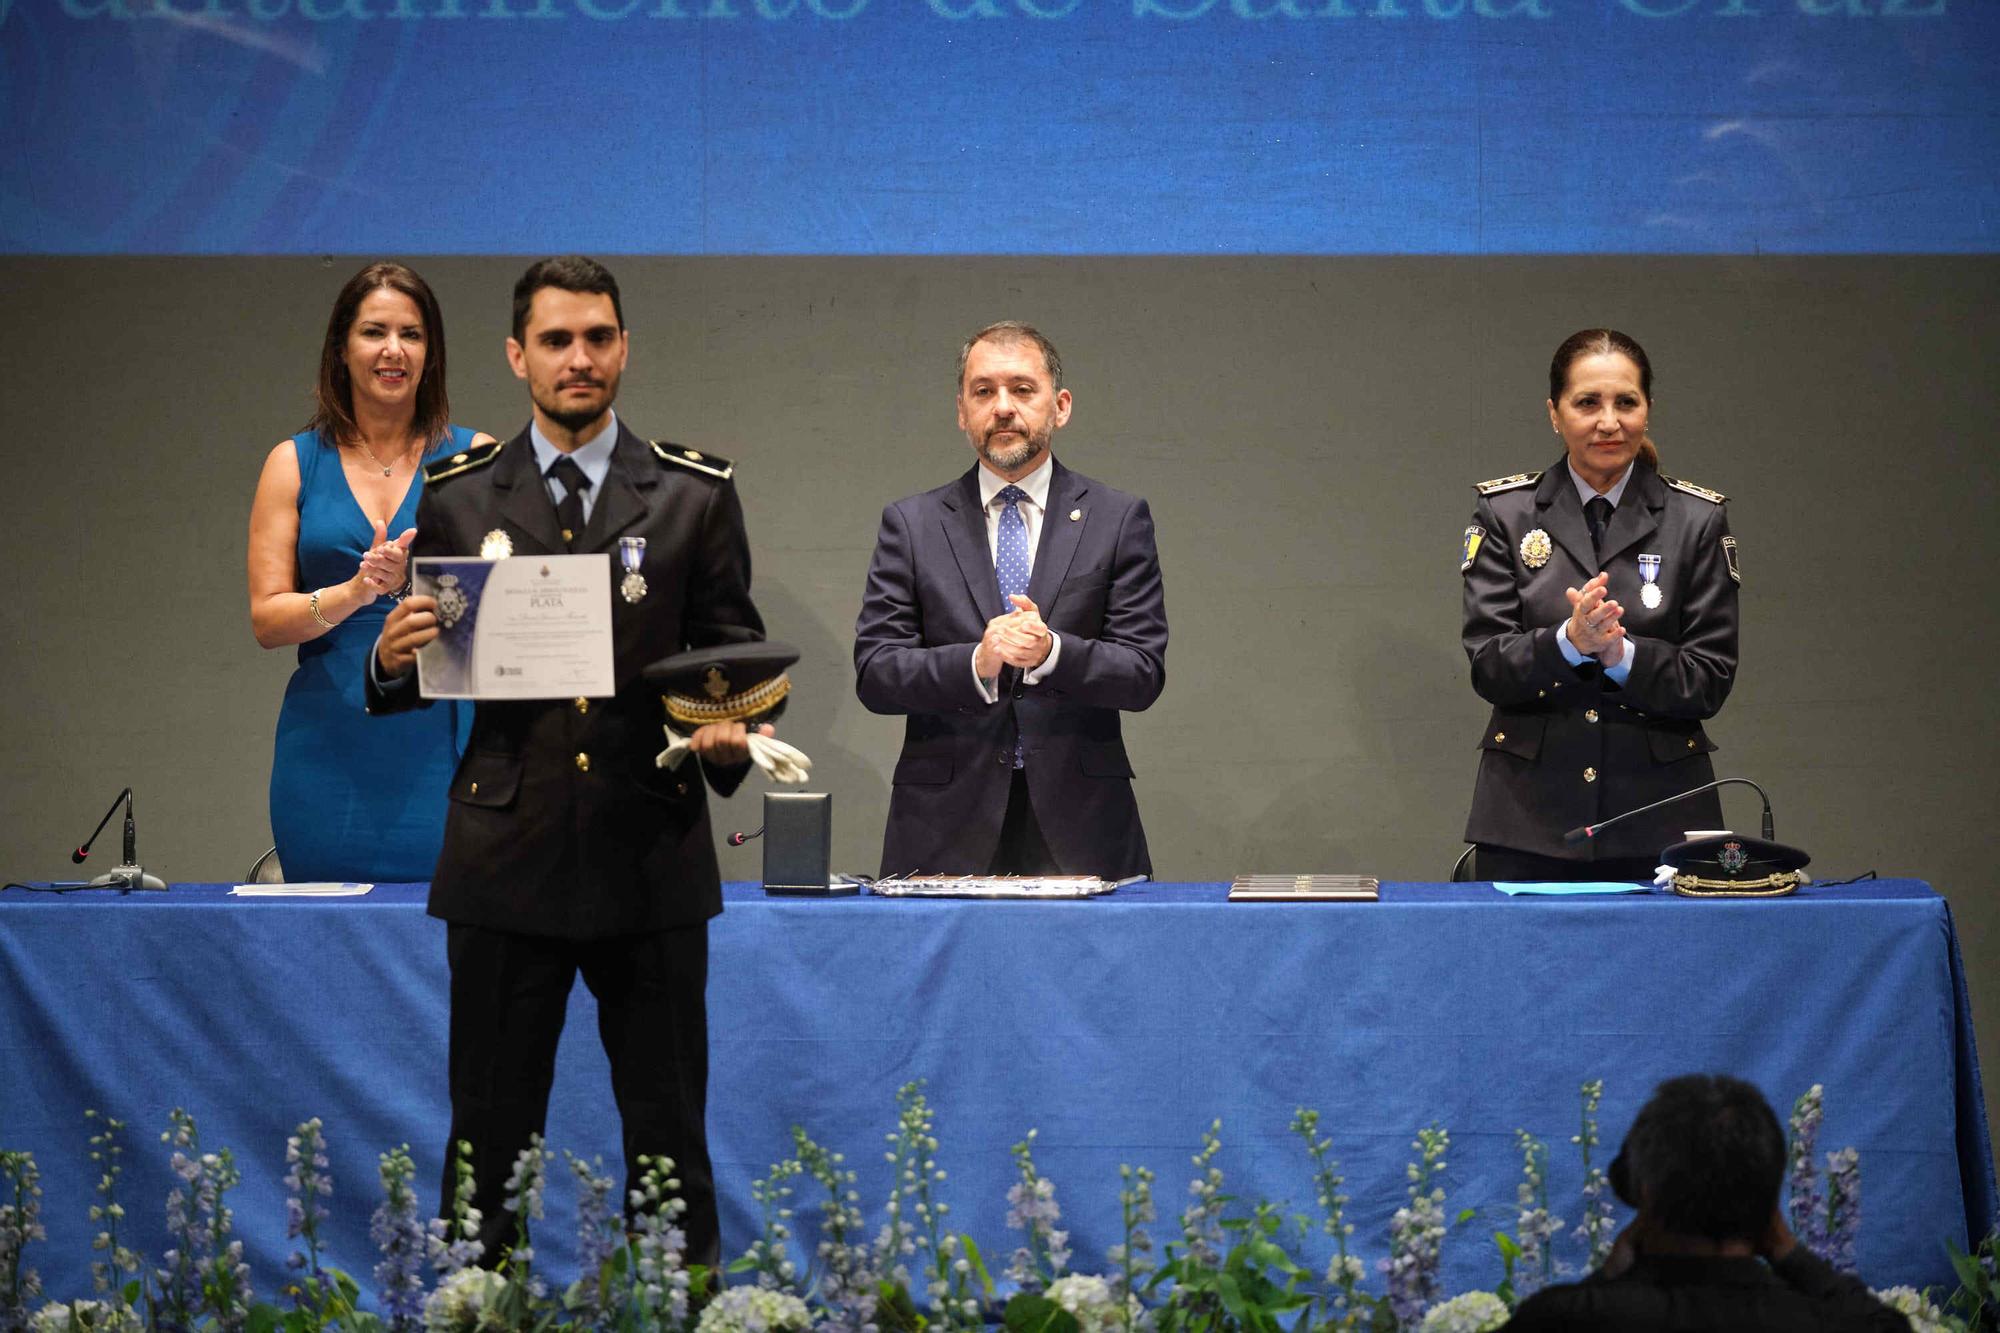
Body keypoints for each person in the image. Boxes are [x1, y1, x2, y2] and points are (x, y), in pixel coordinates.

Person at [365, 256, 765, 1267]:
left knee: (668, 1144)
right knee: (486, 1146)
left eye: (596, 337)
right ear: (516, 356)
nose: (578, 358)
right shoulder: (456, 496)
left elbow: (735, 665)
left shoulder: (691, 494)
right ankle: (473, 1305)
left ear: (624, 346)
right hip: (506, 856)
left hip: (652, 855)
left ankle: (680, 1309)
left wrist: (731, 732)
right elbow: (432, 665)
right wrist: (385, 657)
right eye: (555, 340)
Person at [854, 321, 1167, 878]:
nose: (1002, 407)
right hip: (942, 828)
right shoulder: (912, 524)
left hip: (1082, 826)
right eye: (983, 391)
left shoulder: (1117, 519)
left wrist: (1051, 652)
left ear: (1060, 406)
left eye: (1022, 390)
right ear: (961, 411)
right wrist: (978, 660)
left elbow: (1142, 672)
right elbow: (876, 673)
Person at [1461, 329, 1740, 882]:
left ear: (1648, 410)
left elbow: (1708, 678)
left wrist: (1620, 654)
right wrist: (1569, 643)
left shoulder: (1697, 520)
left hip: (1661, 819)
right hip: (1528, 822)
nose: (1608, 421)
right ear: (1555, 413)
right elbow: (1489, 665)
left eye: (1626, 403)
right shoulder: (1506, 514)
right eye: (1587, 402)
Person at [247, 261, 491, 883]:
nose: (393, 350)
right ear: (341, 348)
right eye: (374, 332)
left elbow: (504, 625)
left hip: (444, 750)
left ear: (430, 353)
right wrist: (358, 591)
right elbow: (268, 621)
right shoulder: (292, 463)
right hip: (328, 749)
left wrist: (423, 583)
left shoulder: (475, 456)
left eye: (411, 334)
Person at [1504, 1074, 1911, 1331]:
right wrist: (1786, 1250)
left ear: (1644, 1191)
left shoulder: (1566, 1319)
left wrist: (1607, 1276)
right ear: (1768, 1207)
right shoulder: (1819, 1321)